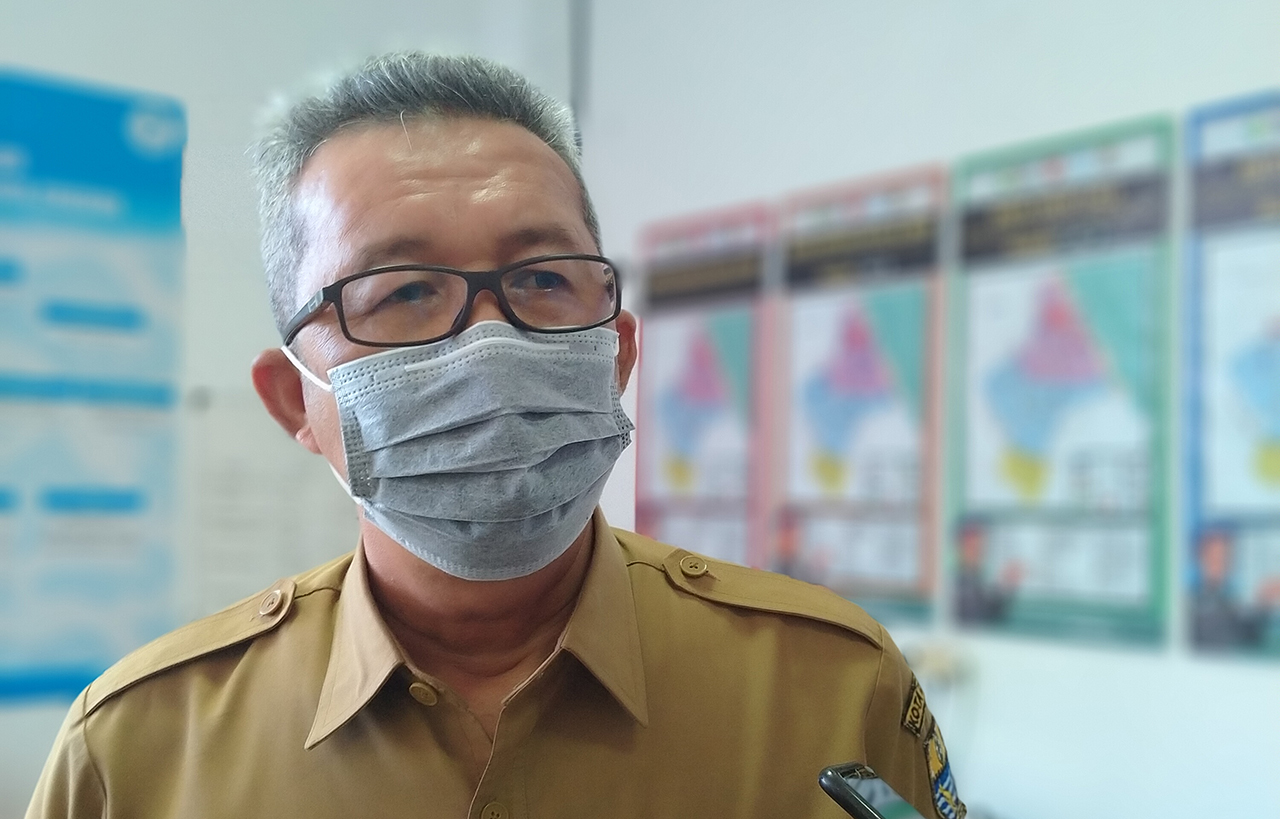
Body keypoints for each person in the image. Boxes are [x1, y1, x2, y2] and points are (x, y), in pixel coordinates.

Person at [26, 53, 963, 819]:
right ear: (292, 402)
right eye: (401, 290)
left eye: (544, 277)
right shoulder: (135, 752)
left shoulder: (835, 689)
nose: (489, 345)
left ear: (618, 352)